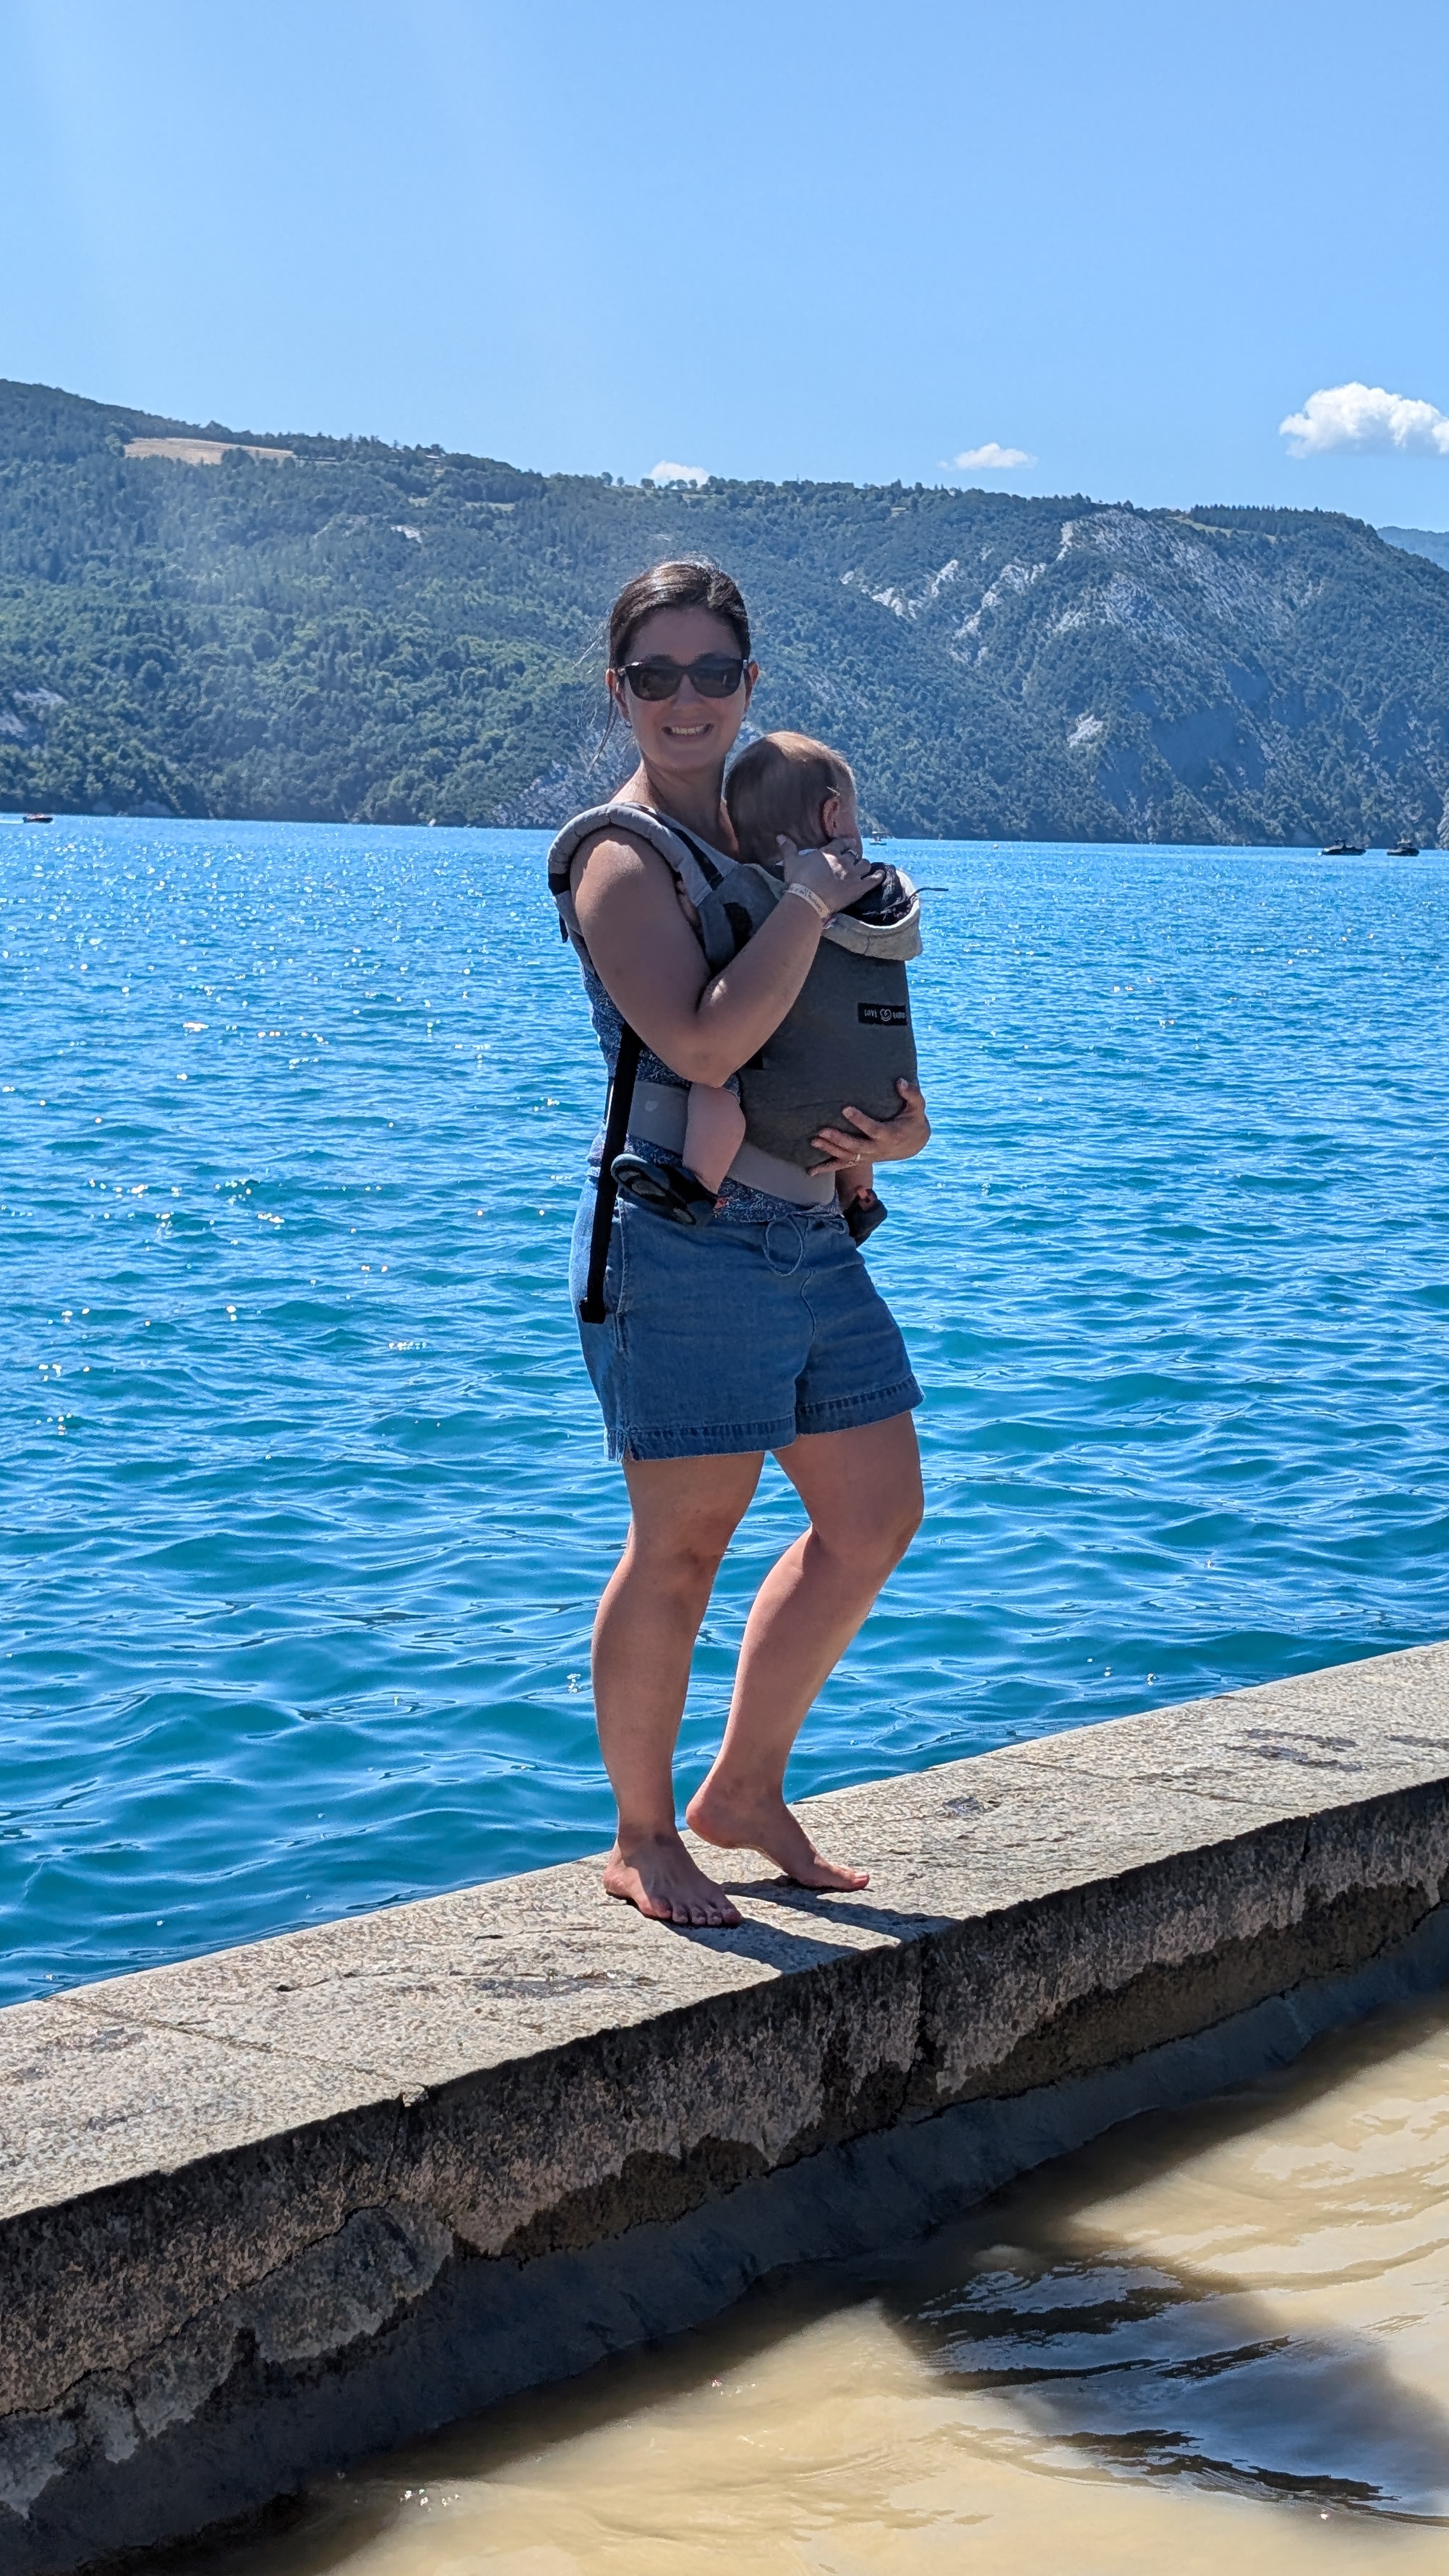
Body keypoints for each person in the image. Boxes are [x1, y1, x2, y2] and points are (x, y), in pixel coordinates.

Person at [549, 559, 930, 1929]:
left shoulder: (782, 843)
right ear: (620, 692)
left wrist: (897, 1133)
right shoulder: (620, 860)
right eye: (657, 676)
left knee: (874, 1515)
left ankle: (745, 1790)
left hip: (817, 1232)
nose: (687, 700)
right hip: (684, 1243)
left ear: (749, 683)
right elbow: (703, 1046)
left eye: (714, 672)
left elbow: (846, 1035)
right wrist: (811, 904)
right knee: (682, 1546)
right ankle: (643, 1836)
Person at [610, 729, 919, 1251]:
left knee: (717, 1083)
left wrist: (692, 910)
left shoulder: (754, 891)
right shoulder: (879, 894)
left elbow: (720, 947)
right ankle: (859, 1196)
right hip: (884, 1103)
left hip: (784, 1106)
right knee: (847, 1087)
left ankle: (698, 1184)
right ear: (833, 816)